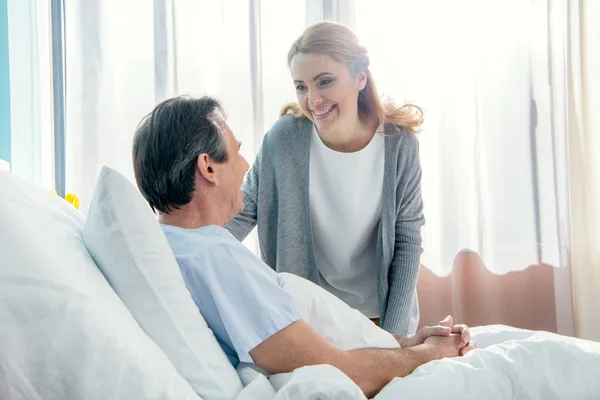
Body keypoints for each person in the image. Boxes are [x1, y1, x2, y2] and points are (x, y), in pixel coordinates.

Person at [132, 96, 474, 398]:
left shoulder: (174, 246)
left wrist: (406, 342)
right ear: (208, 167)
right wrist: (432, 354)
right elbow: (340, 369)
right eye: (236, 153)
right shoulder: (214, 259)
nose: (247, 165)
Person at [226, 21, 425, 336]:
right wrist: (181, 251)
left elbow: (407, 240)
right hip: (310, 321)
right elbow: (242, 211)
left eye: (325, 82)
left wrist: (394, 338)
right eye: (301, 86)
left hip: (379, 317)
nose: (313, 100)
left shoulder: (399, 144)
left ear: (360, 77)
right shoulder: (283, 139)